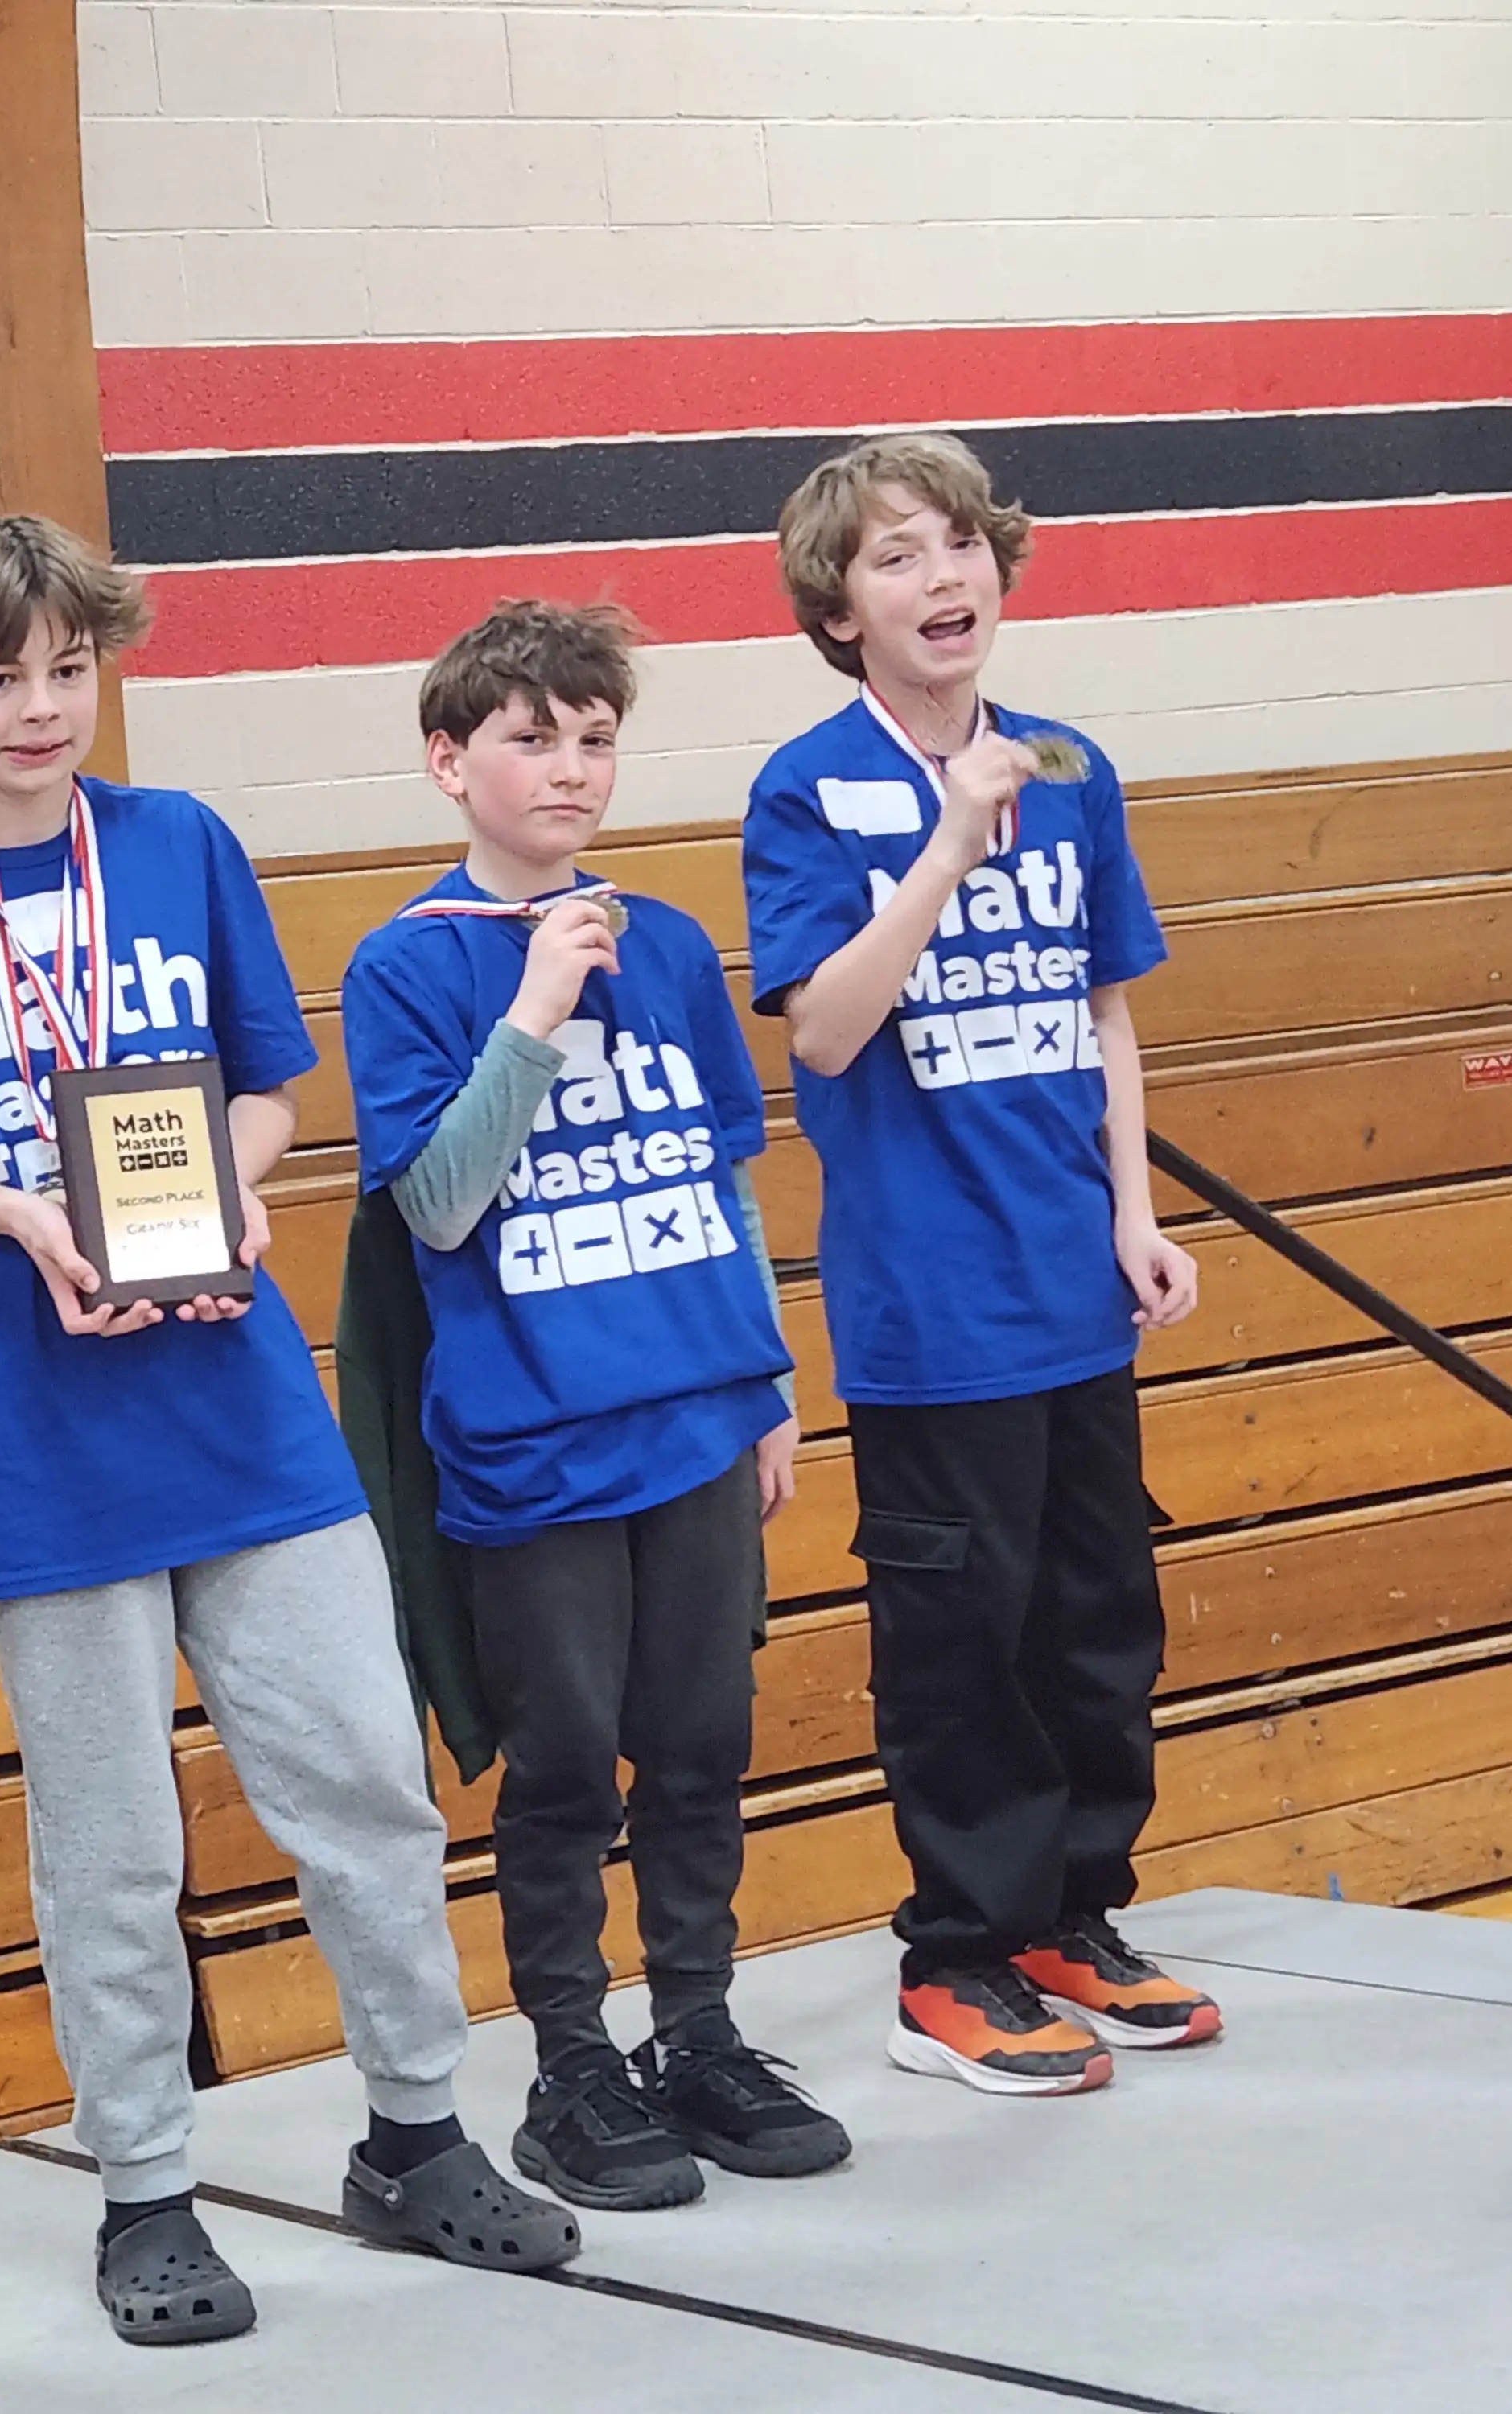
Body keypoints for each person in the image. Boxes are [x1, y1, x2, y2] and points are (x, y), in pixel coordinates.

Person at [0, 513, 577, 2350]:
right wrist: (20, 1218)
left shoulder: (180, 844)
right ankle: (141, 2190)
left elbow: (269, 1092)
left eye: (70, 668)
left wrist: (221, 1201)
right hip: (34, 1430)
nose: (41, 706)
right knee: (109, 1846)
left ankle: (410, 2132)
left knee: (366, 1782)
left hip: (242, 1411)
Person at [340, 599, 854, 2209]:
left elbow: (713, 1178)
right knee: (561, 1762)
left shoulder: (676, 946)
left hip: (693, 1415)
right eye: (528, 736)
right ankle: (569, 2058)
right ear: (447, 761)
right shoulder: (405, 964)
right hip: (529, 1437)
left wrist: (764, 1378)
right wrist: (533, 1010)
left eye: (591, 737)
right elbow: (435, 1202)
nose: (568, 768)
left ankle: (692, 2028)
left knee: (699, 1741)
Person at [741, 433, 1222, 2097]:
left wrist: (1129, 1212)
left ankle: (1068, 1917)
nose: (940, 578)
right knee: (961, 1635)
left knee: (1097, 1621)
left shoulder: (1070, 767)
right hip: (929, 1307)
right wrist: (942, 850)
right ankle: (950, 1954)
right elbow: (818, 1027)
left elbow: (1102, 1007)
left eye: (957, 545)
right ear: (835, 609)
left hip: (1068, 1281)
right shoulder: (808, 788)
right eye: (893, 557)